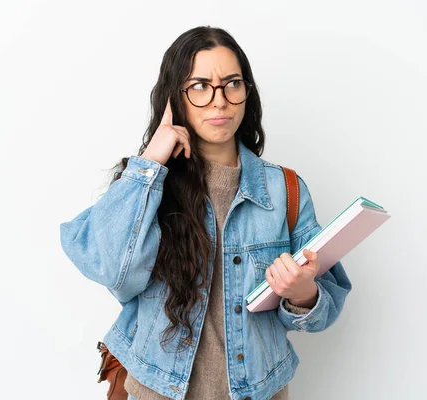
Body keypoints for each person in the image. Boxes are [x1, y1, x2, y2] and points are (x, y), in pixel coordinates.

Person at [60, 26, 352, 400]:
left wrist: (303, 293)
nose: (219, 101)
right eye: (199, 86)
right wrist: (151, 160)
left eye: (232, 83)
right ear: (174, 97)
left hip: (259, 391)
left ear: (247, 92)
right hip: (158, 390)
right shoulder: (147, 186)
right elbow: (109, 266)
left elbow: (325, 305)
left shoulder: (285, 190)